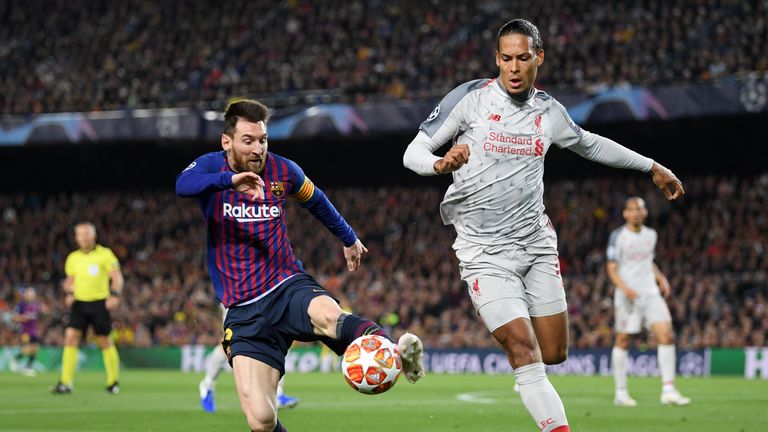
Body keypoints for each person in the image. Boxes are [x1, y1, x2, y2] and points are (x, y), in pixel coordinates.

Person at [403, 18, 684, 432]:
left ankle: (529, 378)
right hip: (483, 252)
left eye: (523, 58)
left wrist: (652, 166)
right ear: (496, 60)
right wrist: (439, 164)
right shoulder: (471, 99)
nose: (514, 68)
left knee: (553, 353)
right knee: (523, 348)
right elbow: (414, 150)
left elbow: (589, 143)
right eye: (506, 59)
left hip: (536, 245)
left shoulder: (548, 111)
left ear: (539, 58)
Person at [176, 99, 424, 432]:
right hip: (243, 309)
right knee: (262, 420)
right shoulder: (210, 168)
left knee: (329, 317)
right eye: (247, 140)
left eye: (262, 139)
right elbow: (182, 185)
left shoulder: (283, 171)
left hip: (286, 284)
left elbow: (316, 200)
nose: (257, 148)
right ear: (227, 142)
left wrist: (348, 238)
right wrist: (230, 182)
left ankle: (393, 351)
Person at [607, 197, 691, 406]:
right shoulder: (618, 236)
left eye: (639, 209)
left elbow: (647, 262)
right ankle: (620, 392)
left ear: (645, 213)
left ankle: (669, 390)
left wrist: (661, 277)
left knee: (666, 335)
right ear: (625, 213)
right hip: (628, 295)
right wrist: (625, 288)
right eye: (631, 209)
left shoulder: (651, 235)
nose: (635, 213)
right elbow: (611, 267)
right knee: (624, 339)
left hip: (650, 293)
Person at [50, 222, 124, 395]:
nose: (83, 237)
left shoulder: (105, 254)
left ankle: (113, 382)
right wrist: (68, 293)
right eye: (80, 234)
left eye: (87, 233)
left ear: (94, 235)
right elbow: (69, 281)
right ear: (76, 238)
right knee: (70, 338)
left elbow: (117, 278)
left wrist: (115, 295)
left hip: (99, 302)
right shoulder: (73, 258)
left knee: (105, 341)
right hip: (79, 303)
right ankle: (66, 383)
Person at [199, 305, 300, 413]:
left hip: (260, 296)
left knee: (273, 338)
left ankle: (277, 393)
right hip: (236, 297)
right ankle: (207, 385)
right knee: (228, 342)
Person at [11, 287, 42, 376]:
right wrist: (24, 318)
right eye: (29, 294)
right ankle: (15, 359)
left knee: (35, 350)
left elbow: (36, 318)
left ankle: (28, 367)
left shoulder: (36, 305)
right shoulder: (21, 305)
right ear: (25, 295)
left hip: (34, 331)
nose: (31, 296)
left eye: (32, 294)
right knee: (27, 349)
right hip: (25, 331)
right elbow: (14, 317)